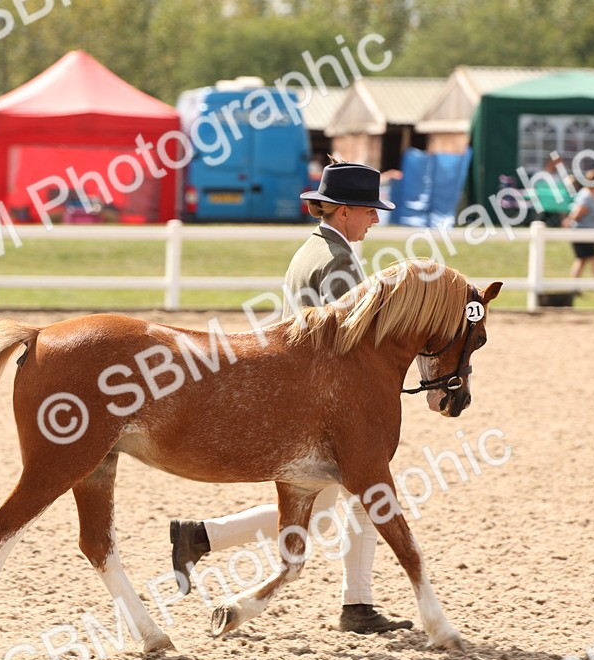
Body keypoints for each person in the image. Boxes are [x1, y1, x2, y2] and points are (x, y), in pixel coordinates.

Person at [169, 161, 413, 634]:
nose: (376, 219)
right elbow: (348, 336)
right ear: (343, 212)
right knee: (357, 498)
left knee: (331, 505)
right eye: (369, 210)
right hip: (321, 397)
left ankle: (201, 536)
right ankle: (356, 605)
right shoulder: (338, 260)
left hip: (302, 385)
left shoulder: (314, 247)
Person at [563, 169, 594, 296]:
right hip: (582, 233)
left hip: (585, 232)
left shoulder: (586, 194)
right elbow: (577, 214)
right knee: (593, 259)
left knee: (582, 260)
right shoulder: (587, 196)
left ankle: (575, 288)